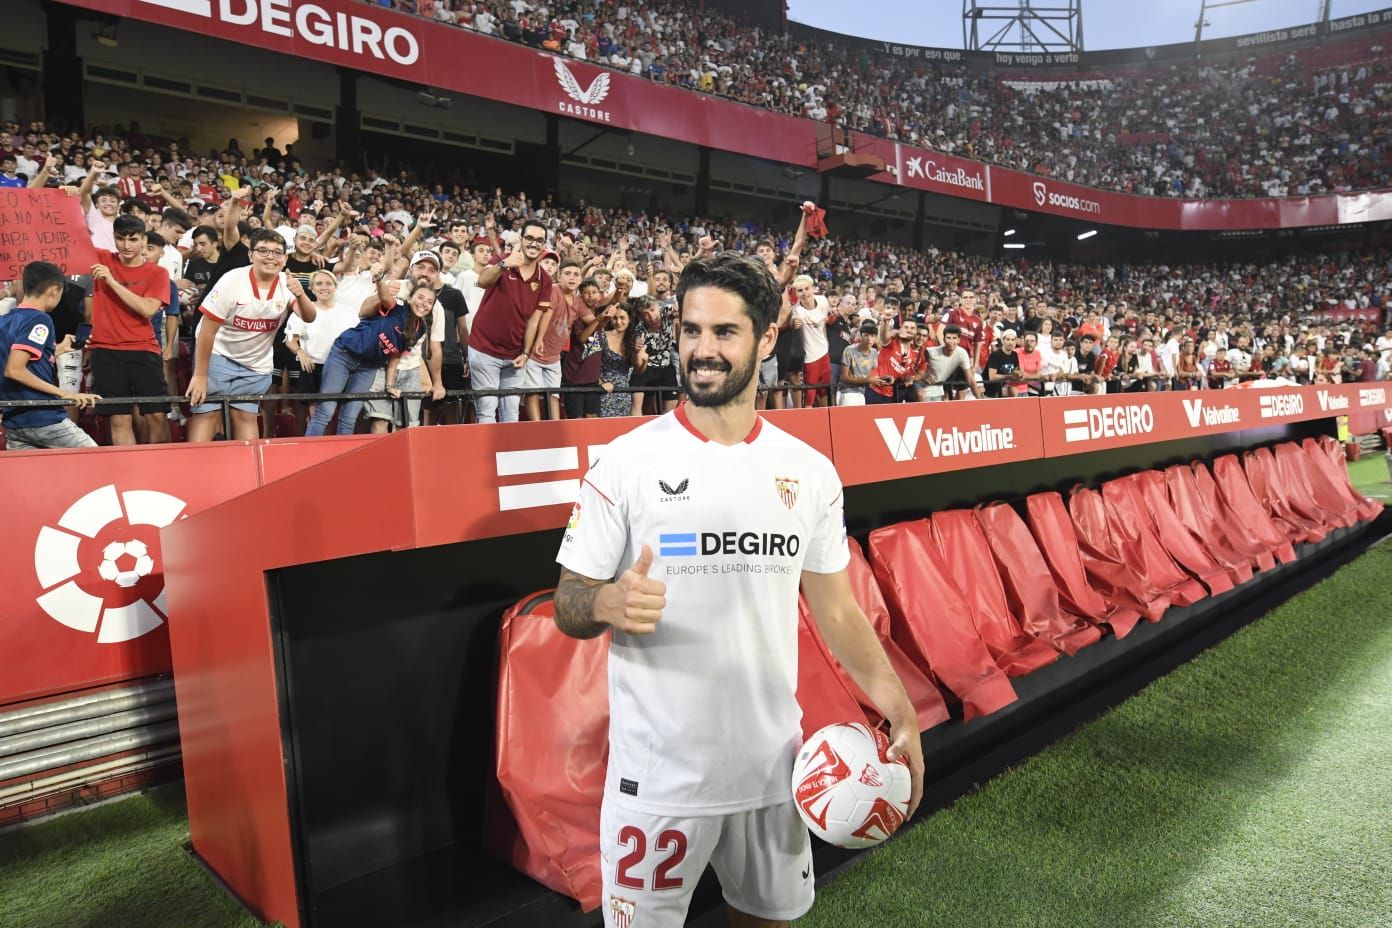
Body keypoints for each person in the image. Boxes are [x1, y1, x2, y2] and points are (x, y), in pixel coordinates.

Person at [552, 251, 923, 928]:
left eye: (724, 333)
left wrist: (899, 708)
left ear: (764, 338)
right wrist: (604, 602)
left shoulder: (808, 472)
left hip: (774, 774)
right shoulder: (625, 464)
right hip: (656, 782)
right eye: (692, 331)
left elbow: (835, 607)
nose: (702, 350)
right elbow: (566, 602)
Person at [186, 230, 315, 441]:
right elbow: (207, 330)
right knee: (207, 415)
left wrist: (300, 294)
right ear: (250, 255)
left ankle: (247, 471)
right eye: (263, 251)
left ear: (284, 258)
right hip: (218, 355)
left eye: (277, 252)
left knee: (245, 417)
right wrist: (200, 375)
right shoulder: (232, 280)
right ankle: (193, 471)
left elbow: (309, 317)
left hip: (255, 363)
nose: (270, 257)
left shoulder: (287, 282)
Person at [86, 213, 172, 445]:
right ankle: (129, 474)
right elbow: (72, 236)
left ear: (144, 240)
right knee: (118, 419)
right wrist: (75, 195)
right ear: (113, 238)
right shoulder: (102, 258)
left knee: (156, 416)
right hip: (104, 349)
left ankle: (161, 469)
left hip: (143, 348)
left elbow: (146, 309)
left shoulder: (158, 273)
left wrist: (111, 281)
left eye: (133, 239)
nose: (126, 245)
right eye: (120, 238)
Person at [0, 261, 101, 450]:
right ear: (54, 290)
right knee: (96, 462)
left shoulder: (5, 320)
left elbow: (18, 359)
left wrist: (59, 349)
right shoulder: (40, 319)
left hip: (15, 424)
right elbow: (14, 369)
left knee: (31, 479)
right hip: (45, 419)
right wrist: (64, 393)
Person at [468, 216, 553, 423]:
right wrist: (504, 264)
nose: (534, 243)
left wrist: (526, 353)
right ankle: (486, 456)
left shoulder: (545, 279)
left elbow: (534, 320)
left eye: (539, 240)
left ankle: (506, 456)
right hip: (484, 348)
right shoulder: (504, 260)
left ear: (544, 244)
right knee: (487, 411)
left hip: (515, 355)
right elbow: (482, 281)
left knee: (511, 415)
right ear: (521, 239)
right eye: (529, 238)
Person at [835, 320, 879, 406]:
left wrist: (880, 380)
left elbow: (871, 375)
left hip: (862, 393)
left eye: (872, 336)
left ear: (876, 338)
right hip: (847, 392)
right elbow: (844, 377)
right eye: (866, 335)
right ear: (860, 336)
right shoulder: (849, 350)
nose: (869, 339)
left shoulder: (874, 352)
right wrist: (868, 380)